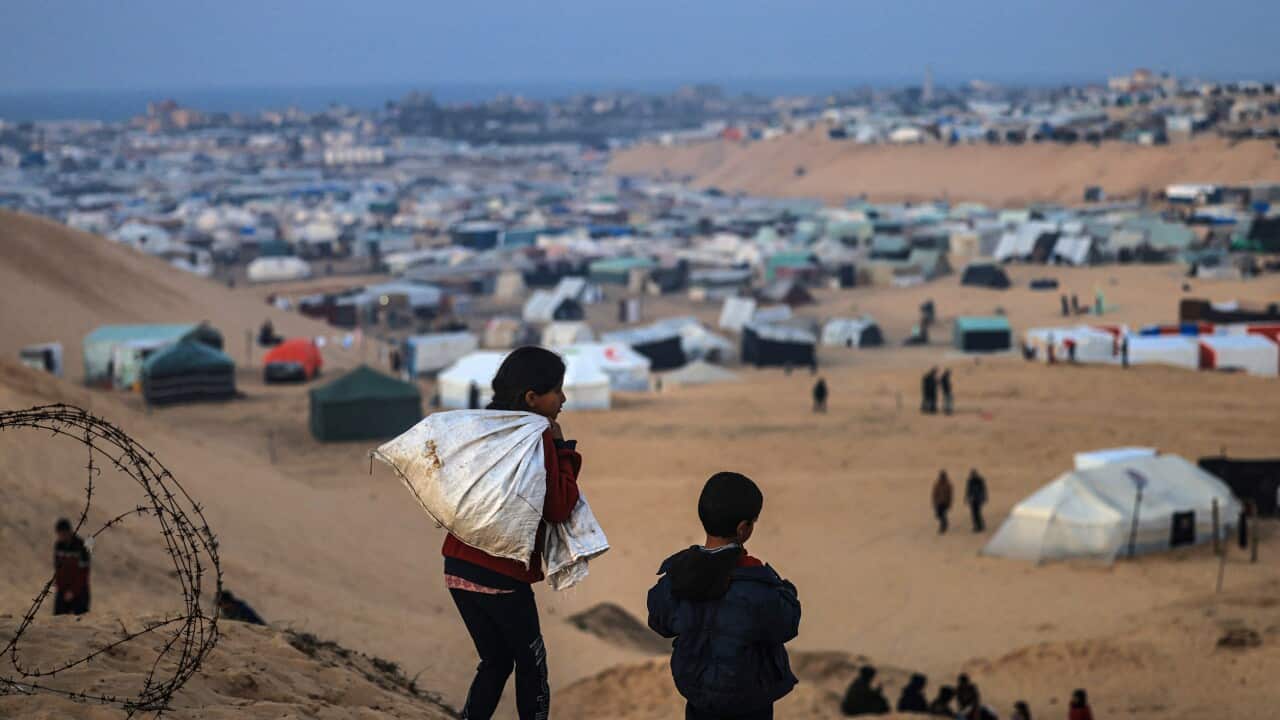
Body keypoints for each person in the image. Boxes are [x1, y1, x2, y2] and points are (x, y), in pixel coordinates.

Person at [444, 346, 582, 720]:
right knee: (532, 663)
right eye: (557, 390)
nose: (564, 399)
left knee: (496, 660)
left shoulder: (485, 426)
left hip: (457, 565)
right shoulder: (535, 437)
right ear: (532, 398)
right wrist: (562, 450)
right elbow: (558, 507)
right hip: (501, 575)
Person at [648, 472, 801, 720]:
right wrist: (783, 587)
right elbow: (787, 624)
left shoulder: (679, 574)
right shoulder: (756, 587)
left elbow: (659, 620)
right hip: (749, 705)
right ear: (743, 529)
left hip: (698, 700)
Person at [53, 518, 90, 616]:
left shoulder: (81, 546)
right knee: (58, 620)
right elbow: (58, 570)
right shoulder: (59, 546)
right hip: (62, 591)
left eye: (62, 534)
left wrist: (73, 591)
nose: (60, 536)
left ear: (68, 532)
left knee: (80, 619)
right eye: (59, 534)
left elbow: (83, 573)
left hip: (80, 592)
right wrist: (61, 588)